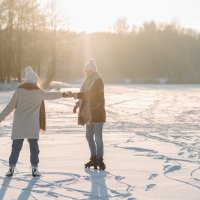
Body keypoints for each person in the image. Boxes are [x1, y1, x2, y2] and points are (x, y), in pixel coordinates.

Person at [0, 66, 70, 177]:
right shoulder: (38, 92)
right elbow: (50, 95)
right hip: (32, 125)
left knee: (16, 147)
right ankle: (35, 169)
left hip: (19, 125)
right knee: (34, 148)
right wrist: (63, 94)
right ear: (34, 81)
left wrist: (1, 117)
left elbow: (10, 106)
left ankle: (11, 168)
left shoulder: (19, 90)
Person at [72, 58, 106, 170]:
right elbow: (85, 95)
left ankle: (100, 159)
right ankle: (93, 158)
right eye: (85, 71)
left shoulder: (97, 80)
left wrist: (78, 95)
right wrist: (77, 104)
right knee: (89, 136)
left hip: (97, 112)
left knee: (98, 137)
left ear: (92, 71)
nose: (86, 73)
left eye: (88, 71)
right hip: (88, 112)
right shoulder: (88, 80)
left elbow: (90, 94)